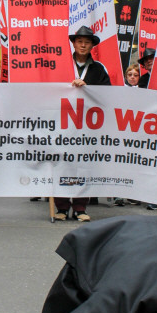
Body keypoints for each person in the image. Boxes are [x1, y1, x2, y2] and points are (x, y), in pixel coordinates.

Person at [54, 26, 111, 223]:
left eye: (87, 42)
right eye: (79, 41)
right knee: (62, 164)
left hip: (87, 125)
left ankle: (80, 207)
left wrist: (89, 89)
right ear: (73, 43)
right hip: (62, 124)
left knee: (83, 165)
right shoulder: (61, 64)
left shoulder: (98, 69)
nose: (83, 45)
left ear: (92, 46)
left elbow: (109, 94)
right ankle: (61, 206)